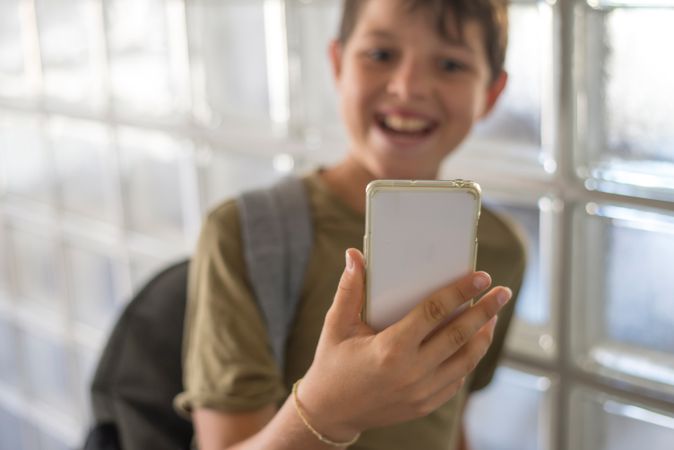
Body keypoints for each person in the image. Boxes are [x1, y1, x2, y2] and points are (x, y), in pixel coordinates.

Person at [175, 0, 525, 449]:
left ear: (491, 93)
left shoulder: (500, 250)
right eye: (381, 55)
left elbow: (451, 420)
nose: (409, 87)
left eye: (451, 63)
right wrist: (328, 411)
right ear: (338, 64)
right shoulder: (243, 235)